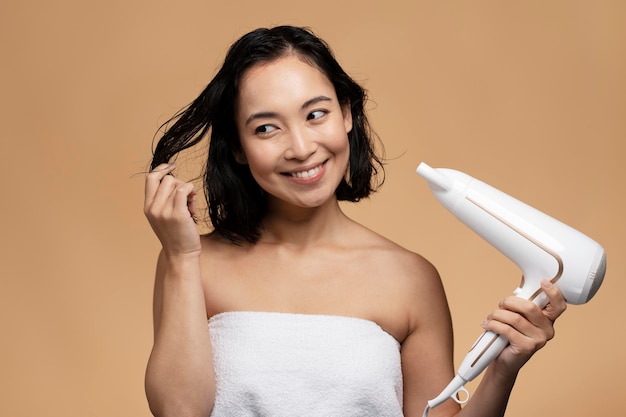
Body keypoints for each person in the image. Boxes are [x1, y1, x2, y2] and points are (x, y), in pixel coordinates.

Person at [143, 25, 566, 417]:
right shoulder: (193, 264)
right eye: (268, 128)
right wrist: (180, 256)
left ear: (346, 114)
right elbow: (179, 412)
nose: (301, 147)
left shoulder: (410, 279)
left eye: (315, 115)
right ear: (238, 147)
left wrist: (503, 368)